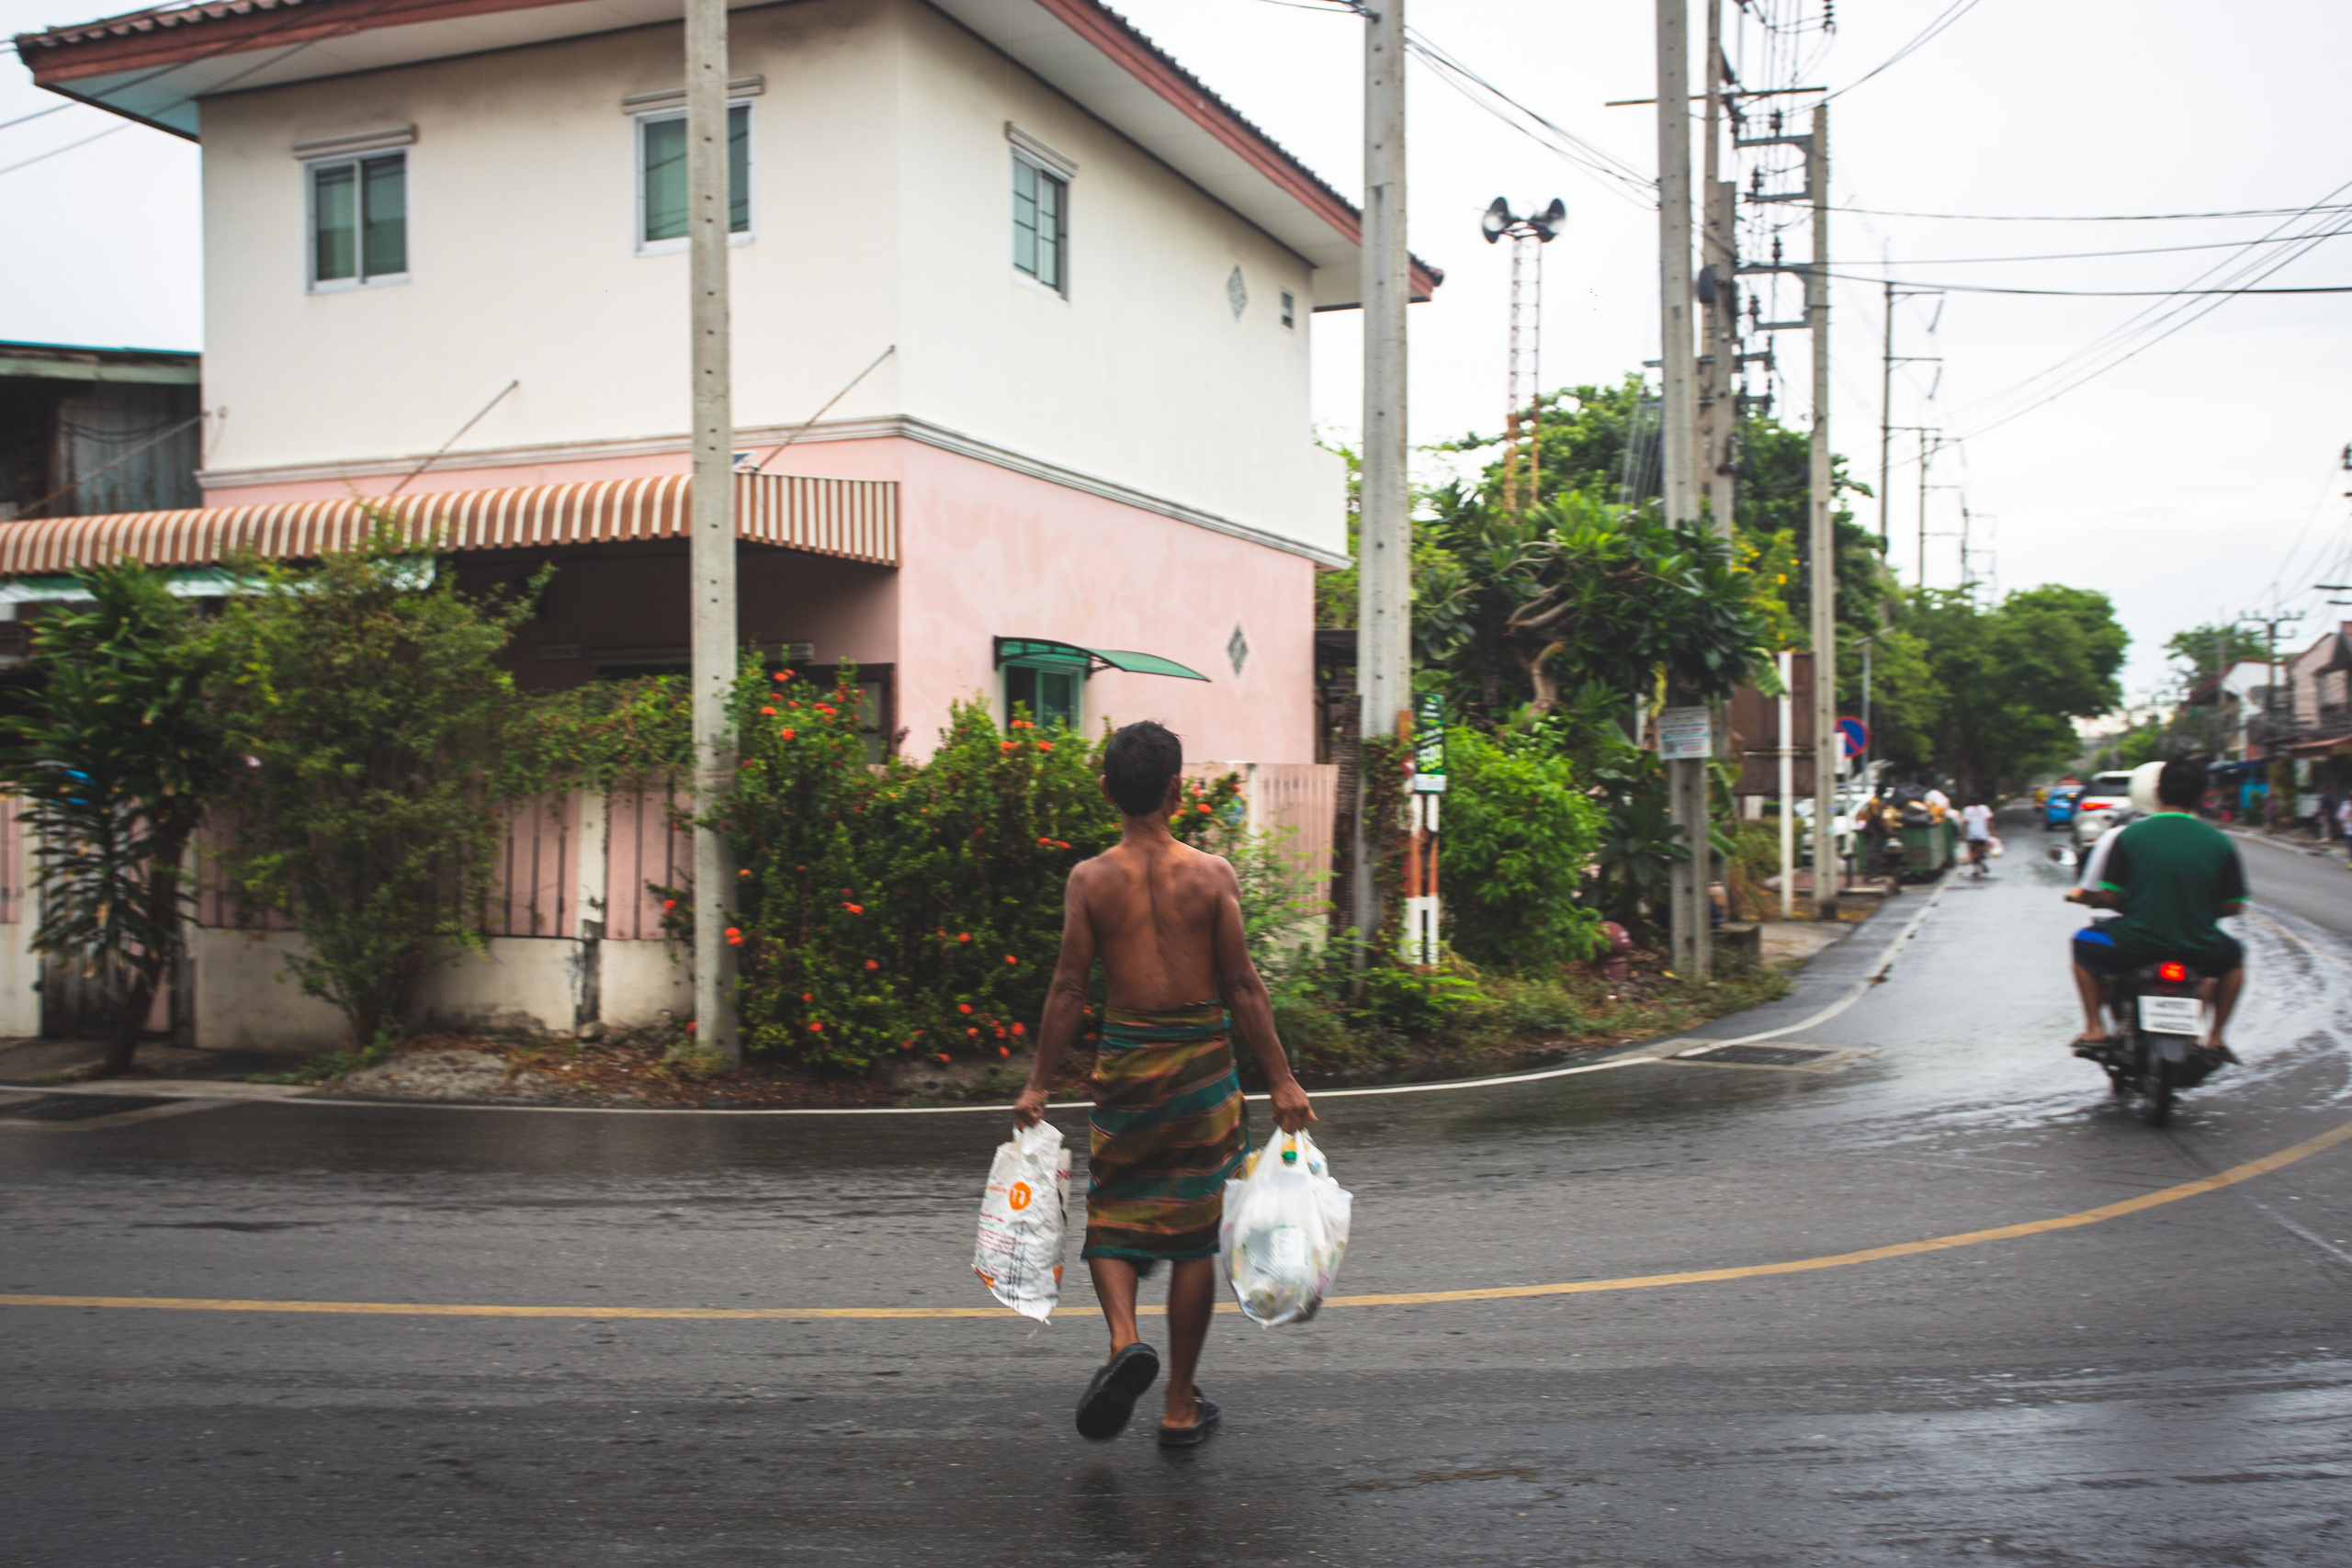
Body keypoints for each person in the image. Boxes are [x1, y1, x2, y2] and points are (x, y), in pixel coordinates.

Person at [1013, 719, 1315, 1449]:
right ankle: (1179, 1406)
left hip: (1128, 1065)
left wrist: (1037, 1084)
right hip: (1202, 1069)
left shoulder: (1090, 880)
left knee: (1113, 1214)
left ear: (1106, 790)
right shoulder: (1212, 876)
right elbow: (1242, 985)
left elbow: (1068, 988)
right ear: (1178, 790)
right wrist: (1281, 1080)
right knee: (1191, 1238)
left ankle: (1124, 1342)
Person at [2068, 758, 2248, 1055]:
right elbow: (2232, 906)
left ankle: (2095, 1028)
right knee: (2235, 960)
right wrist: (2196, 912)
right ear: (2202, 796)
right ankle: (2216, 1037)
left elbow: (2111, 898)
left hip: (2135, 943)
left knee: (2081, 943)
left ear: (2157, 792)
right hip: (2200, 945)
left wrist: (2137, 906)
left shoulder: (2129, 836)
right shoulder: (2220, 843)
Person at [1959, 798, 1995, 876]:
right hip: (1982, 834)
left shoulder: (1967, 810)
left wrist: (1963, 834)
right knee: (1981, 850)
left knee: (1973, 852)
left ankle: (1975, 869)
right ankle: (1981, 861)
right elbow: (1989, 821)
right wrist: (1993, 831)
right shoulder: (1984, 808)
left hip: (1972, 835)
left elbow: (1965, 823)